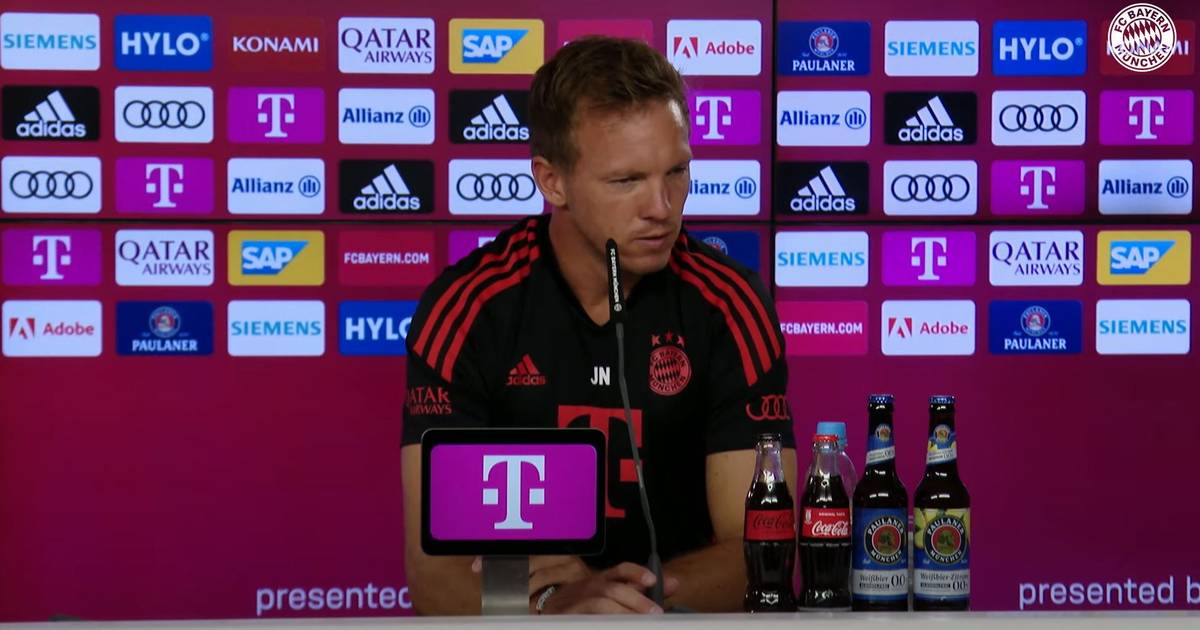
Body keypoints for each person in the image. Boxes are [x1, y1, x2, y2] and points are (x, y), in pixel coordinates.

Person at [400, 36, 796, 615]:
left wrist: (616, 598)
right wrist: (554, 607)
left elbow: (765, 549)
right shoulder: (467, 310)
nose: (662, 207)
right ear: (552, 181)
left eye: (677, 172)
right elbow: (436, 579)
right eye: (626, 181)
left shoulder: (729, 305)